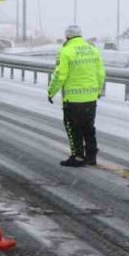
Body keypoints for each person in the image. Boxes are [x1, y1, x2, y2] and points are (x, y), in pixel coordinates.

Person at [47, 24, 107, 167]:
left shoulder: (66, 51)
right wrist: (98, 91)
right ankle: (91, 157)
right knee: (89, 128)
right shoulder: (93, 50)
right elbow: (100, 73)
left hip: (73, 100)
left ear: (67, 36)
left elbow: (60, 75)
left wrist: (51, 92)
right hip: (90, 98)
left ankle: (78, 157)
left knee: (73, 128)